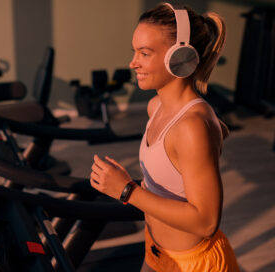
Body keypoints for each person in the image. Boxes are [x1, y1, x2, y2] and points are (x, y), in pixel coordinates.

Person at [90, 2, 240, 271]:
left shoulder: (191, 127)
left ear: (180, 58)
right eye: (134, 52)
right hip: (156, 252)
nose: (133, 62)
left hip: (192, 265)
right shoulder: (156, 107)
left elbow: (206, 221)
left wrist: (126, 190)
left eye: (144, 53)